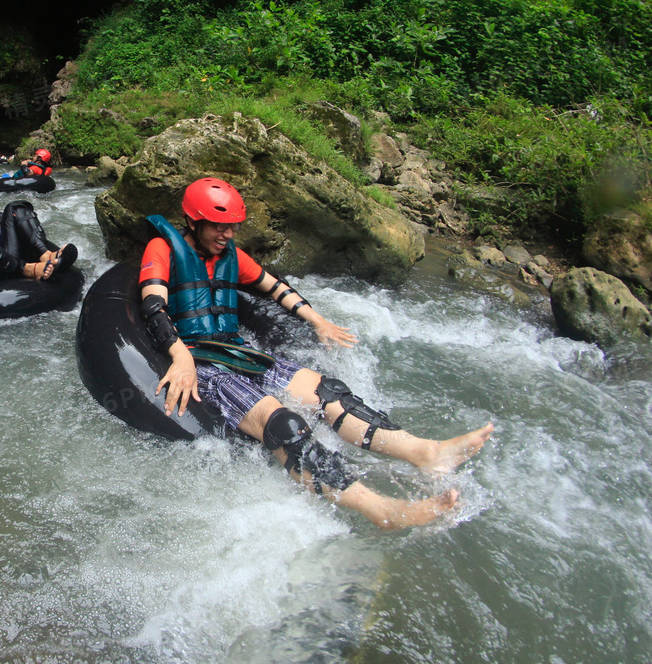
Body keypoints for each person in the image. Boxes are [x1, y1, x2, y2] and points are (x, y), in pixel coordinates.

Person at [139, 177, 494, 530]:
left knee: (329, 392)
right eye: (219, 226)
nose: (227, 235)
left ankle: (425, 453)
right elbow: (154, 306)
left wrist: (317, 319)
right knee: (283, 423)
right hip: (202, 363)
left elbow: (275, 288)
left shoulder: (232, 255)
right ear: (193, 222)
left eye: (232, 227)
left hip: (236, 352)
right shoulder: (164, 249)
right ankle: (382, 510)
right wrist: (181, 356)